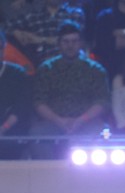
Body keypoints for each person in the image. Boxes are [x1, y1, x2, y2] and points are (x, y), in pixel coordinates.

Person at [31, 20, 109, 159]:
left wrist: (80, 120)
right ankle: (48, 174)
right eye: (66, 41)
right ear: (59, 43)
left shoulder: (95, 69)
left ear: (81, 43)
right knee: (35, 133)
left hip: (86, 122)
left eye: (74, 41)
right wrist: (59, 120)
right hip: (53, 123)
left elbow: (102, 101)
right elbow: (39, 102)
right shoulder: (46, 68)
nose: (70, 45)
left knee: (105, 132)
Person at [0, 29, 31, 159]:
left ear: (3, 48)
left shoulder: (17, 73)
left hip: (11, 130)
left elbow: (21, 107)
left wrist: (3, 128)